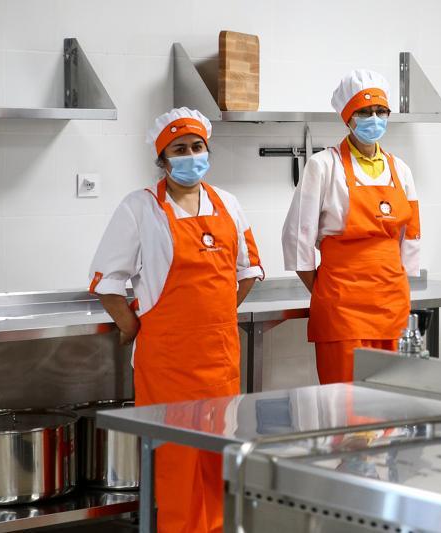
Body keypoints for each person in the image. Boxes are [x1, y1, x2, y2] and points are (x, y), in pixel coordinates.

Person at [88, 107, 263, 533]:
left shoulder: (229, 204)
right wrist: (133, 326)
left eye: (197, 146)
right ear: (162, 159)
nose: (190, 156)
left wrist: (218, 314)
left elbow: (248, 270)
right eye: (179, 149)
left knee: (220, 462)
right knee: (178, 466)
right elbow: (107, 282)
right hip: (168, 364)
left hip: (220, 360)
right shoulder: (140, 208)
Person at [282, 70, 421, 384]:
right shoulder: (323, 166)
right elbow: (297, 237)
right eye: (364, 112)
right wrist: (328, 293)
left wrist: (396, 289)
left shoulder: (401, 170)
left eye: (380, 111)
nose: (374, 119)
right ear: (347, 118)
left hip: (392, 305)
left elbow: (411, 235)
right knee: (344, 403)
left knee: (392, 401)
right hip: (342, 307)